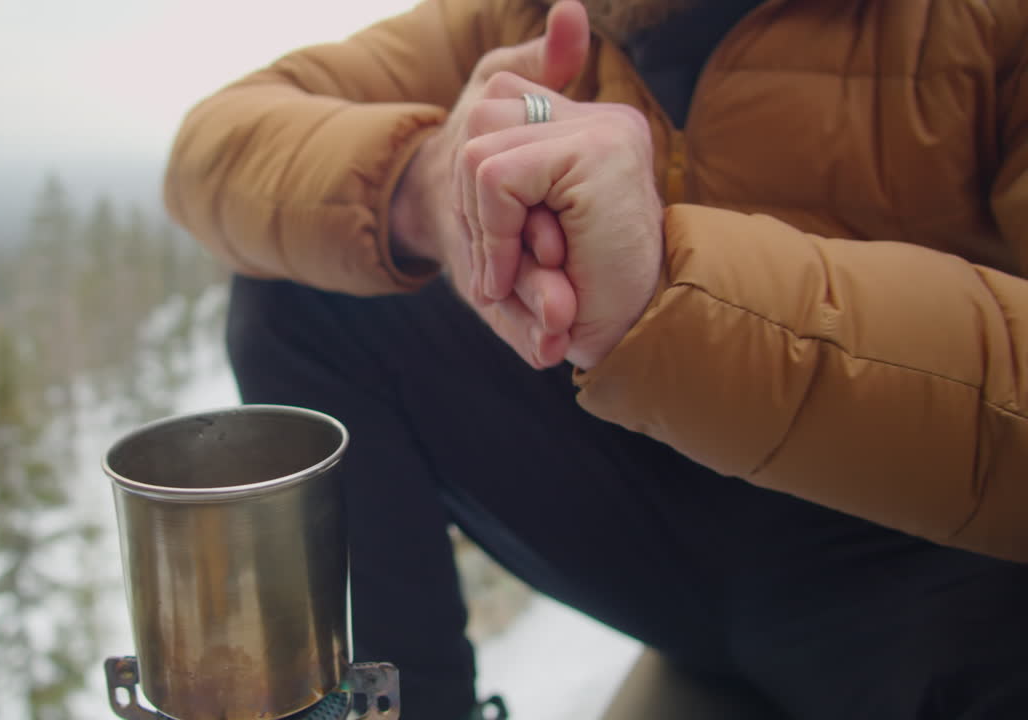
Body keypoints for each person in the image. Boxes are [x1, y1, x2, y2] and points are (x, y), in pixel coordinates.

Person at [165, 0, 1028, 717]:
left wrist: (666, 290)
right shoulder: (531, 16)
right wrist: (425, 186)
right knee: (305, 289)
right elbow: (213, 145)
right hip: (649, 526)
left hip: (928, 566)